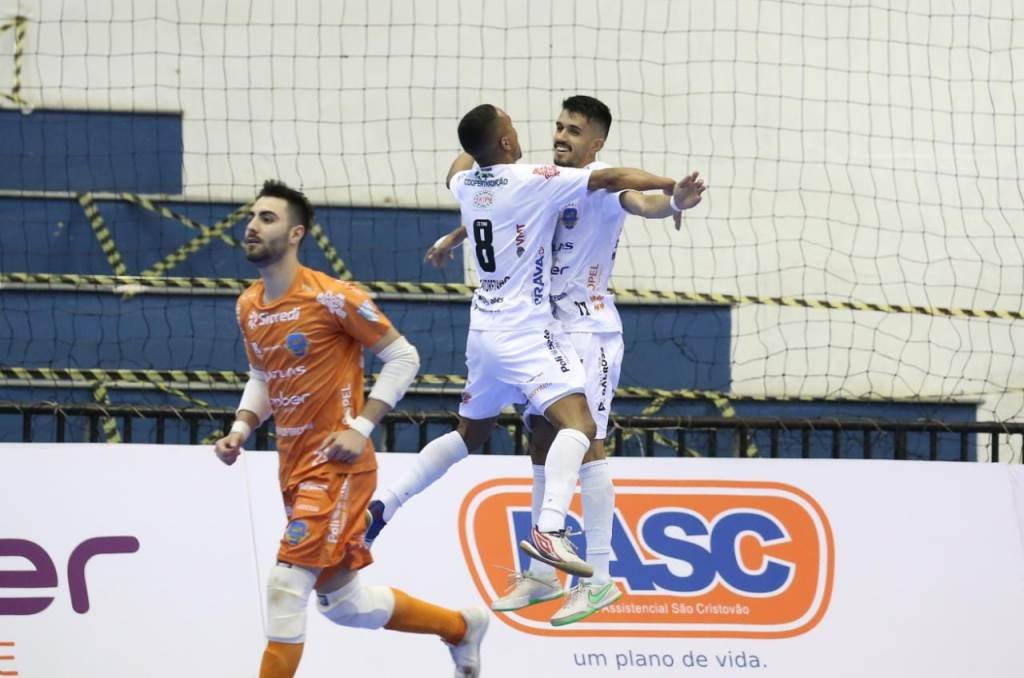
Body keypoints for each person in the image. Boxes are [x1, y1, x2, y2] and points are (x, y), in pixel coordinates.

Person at [367, 103, 688, 581]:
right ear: (503, 144)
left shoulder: (478, 182)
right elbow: (551, 193)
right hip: (532, 333)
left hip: (506, 332)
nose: (555, 135)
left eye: (571, 130)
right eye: (551, 127)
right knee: (578, 430)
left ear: (594, 141)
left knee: (474, 436)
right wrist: (669, 181)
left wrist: (675, 200)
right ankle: (552, 537)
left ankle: (384, 505)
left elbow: (628, 195)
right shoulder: (537, 177)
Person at [213, 180, 487, 678]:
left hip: (338, 467)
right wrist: (241, 425)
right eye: (252, 217)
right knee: (344, 604)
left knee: (285, 586)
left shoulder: (334, 298)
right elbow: (262, 377)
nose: (252, 226)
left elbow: (404, 357)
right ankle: (461, 627)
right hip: (293, 468)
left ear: (295, 234)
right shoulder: (249, 305)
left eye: (267, 218)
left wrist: (362, 425)